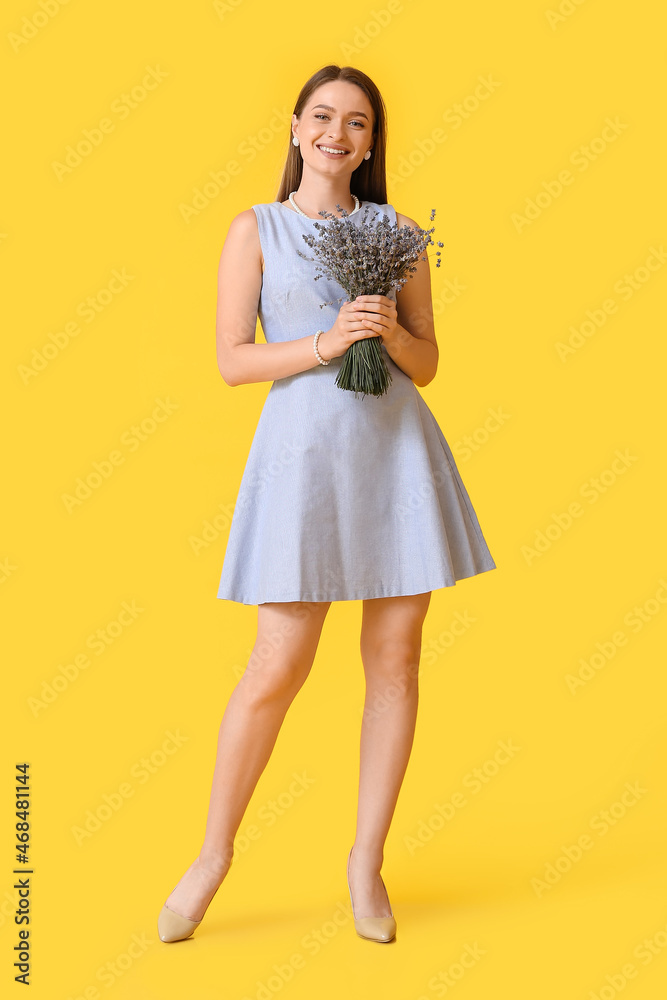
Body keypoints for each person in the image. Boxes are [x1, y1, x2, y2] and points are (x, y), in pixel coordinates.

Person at [157, 63, 496, 946]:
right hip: (301, 461)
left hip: (395, 455)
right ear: (296, 128)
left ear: (371, 142)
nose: (336, 133)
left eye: (356, 122)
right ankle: (213, 855)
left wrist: (387, 333)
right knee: (277, 665)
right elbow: (233, 360)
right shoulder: (255, 229)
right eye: (321, 116)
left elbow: (427, 366)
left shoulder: (399, 233)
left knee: (396, 660)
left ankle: (364, 862)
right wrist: (322, 340)